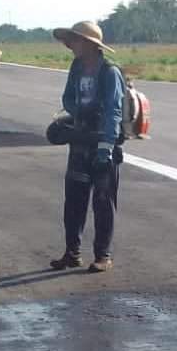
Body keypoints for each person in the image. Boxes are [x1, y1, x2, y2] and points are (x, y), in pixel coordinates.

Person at [49, 21, 124, 274]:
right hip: (80, 141)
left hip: (102, 143)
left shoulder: (109, 72)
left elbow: (114, 111)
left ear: (90, 44)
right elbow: (67, 98)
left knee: (103, 203)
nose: (71, 45)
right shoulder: (77, 67)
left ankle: (103, 255)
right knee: (74, 201)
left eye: (75, 40)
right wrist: (79, 112)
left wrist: (106, 147)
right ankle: (72, 253)